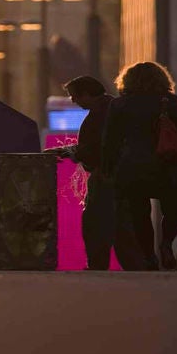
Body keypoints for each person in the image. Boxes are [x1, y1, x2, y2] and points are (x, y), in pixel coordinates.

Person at [99, 61, 177, 271]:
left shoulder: (120, 105)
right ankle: (166, 244)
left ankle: (149, 256)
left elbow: (110, 141)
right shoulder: (170, 101)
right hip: (167, 163)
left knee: (139, 213)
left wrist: (107, 168)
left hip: (133, 166)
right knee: (173, 208)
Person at [53, 74, 119, 271]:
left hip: (105, 176)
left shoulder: (101, 113)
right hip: (114, 175)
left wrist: (68, 152)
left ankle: (97, 265)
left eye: (75, 96)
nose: (73, 101)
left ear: (88, 93)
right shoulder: (111, 107)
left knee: (94, 222)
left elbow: (95, 147)